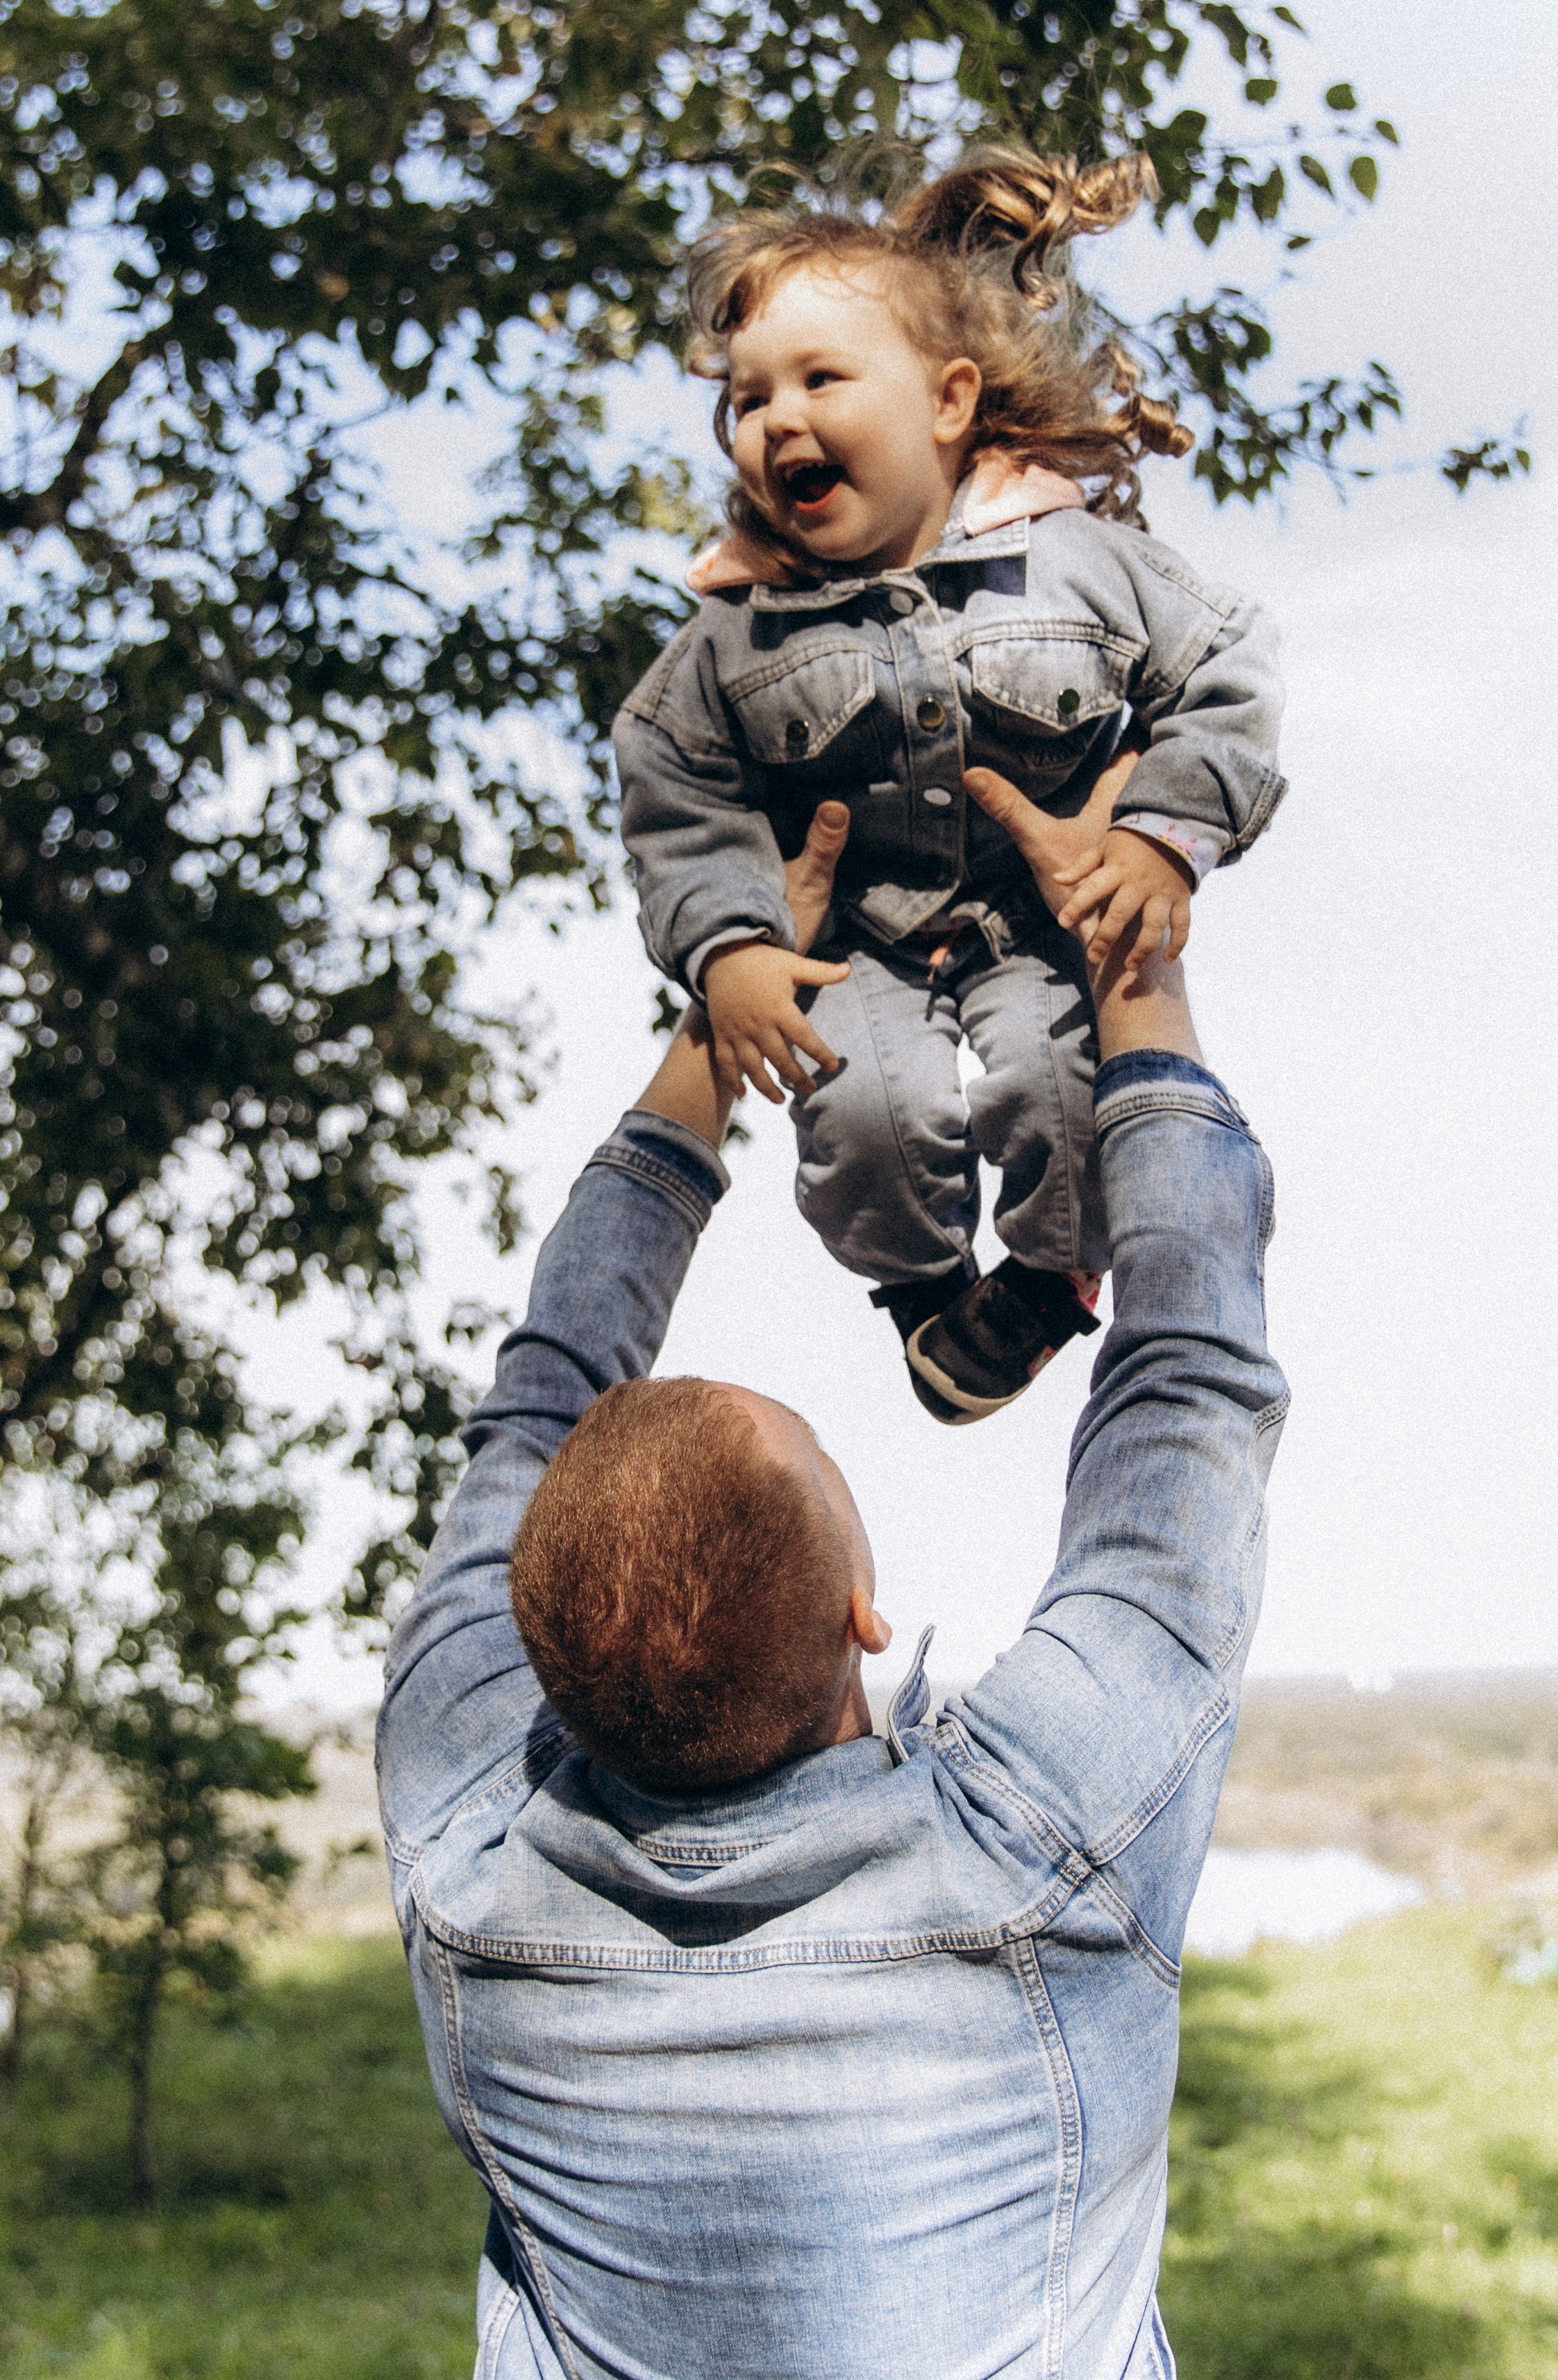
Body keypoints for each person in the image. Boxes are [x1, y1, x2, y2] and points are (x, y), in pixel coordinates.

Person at [376, 778, 1287, 2380]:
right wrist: (1125, 941)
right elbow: (1189, 1388)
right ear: (867, 1615)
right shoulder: (1042, 1861)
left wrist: (726, 1011)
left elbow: (1189, 1381)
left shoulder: (474, 1869)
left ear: (526, 1645)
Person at [613, 148, 1286, 1423]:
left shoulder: (1076, 563)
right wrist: (732, 949)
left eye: (820, 378)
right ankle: (922, 1288)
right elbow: (673, 784)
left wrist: (1157, 837)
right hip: (862, 941)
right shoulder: (735, 634)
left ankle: (1049, 1276)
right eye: (748, 400)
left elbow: (1230, 667)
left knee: (1060, 1088)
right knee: (861, 1110)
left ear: (947, 400)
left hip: (1035, 922)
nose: (775, 420)